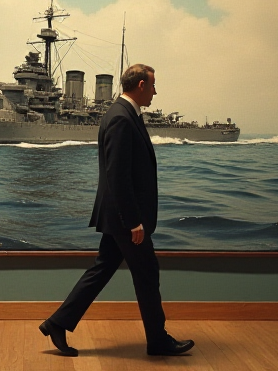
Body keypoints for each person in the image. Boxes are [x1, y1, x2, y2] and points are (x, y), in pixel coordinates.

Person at [39, 64, 194, 357]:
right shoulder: (122, 117)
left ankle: (57, 323)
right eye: (153, 85)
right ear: (140, 85)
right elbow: (117, 175)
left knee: (103, 269)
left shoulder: (122, 114)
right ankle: (158, 341)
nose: (155, 92)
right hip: (126, 217)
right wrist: (133, 221)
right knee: (147, 273)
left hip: (117, 214)